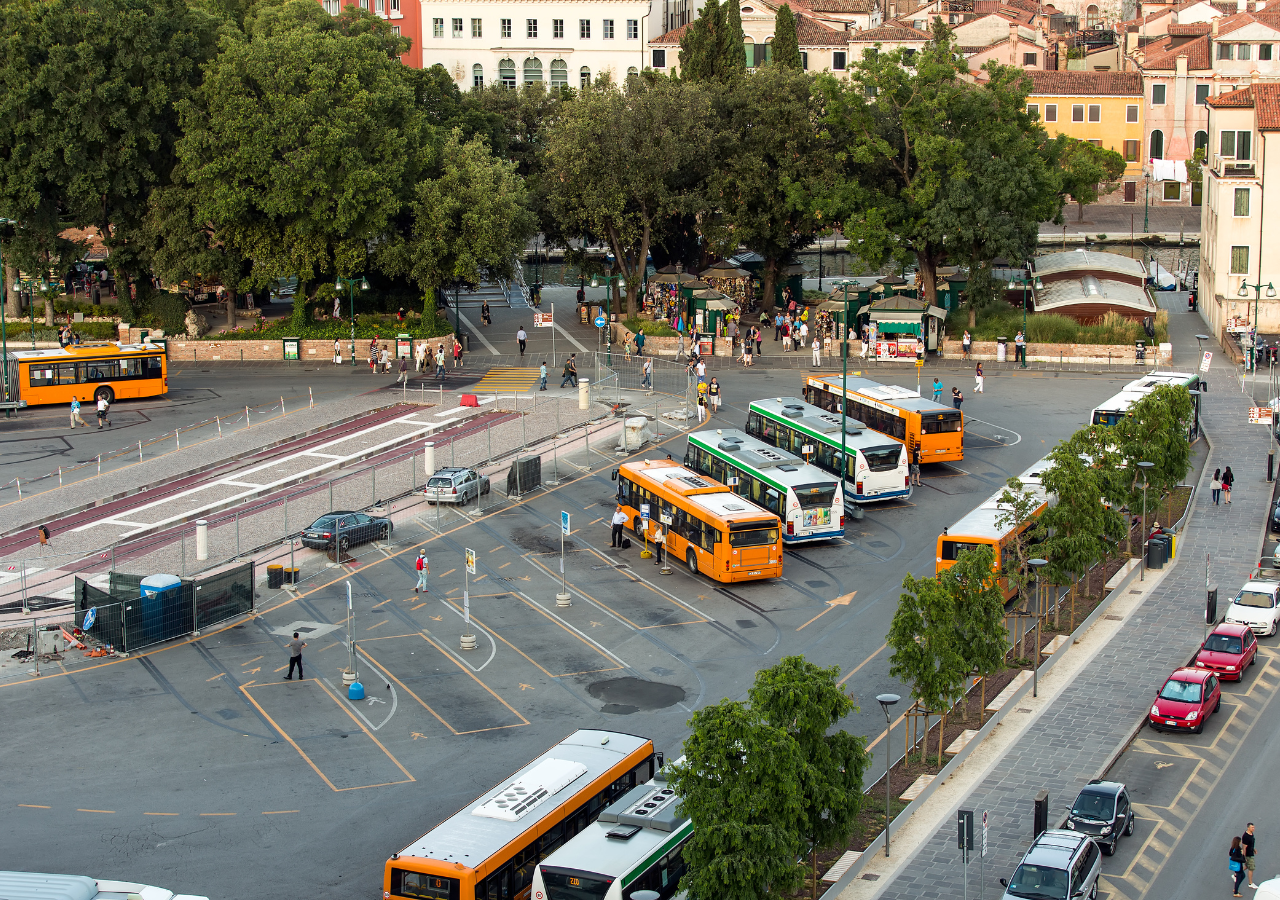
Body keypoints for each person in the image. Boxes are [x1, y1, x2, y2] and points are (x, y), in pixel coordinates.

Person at [1242, 823, 1257, 888]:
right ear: (1248, 828)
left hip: (1251, 852)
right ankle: (1250, 883)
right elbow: (1244, 847)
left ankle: (1236, 875)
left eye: (1253, 827)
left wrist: (1253, 849)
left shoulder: (1251, 834)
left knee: (1246, 866)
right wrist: (1245, 857)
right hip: (1248, 855)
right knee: (1251, 868)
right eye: (1252, 827)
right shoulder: (1246, 836)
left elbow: (1250, 844)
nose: (1253, 829)